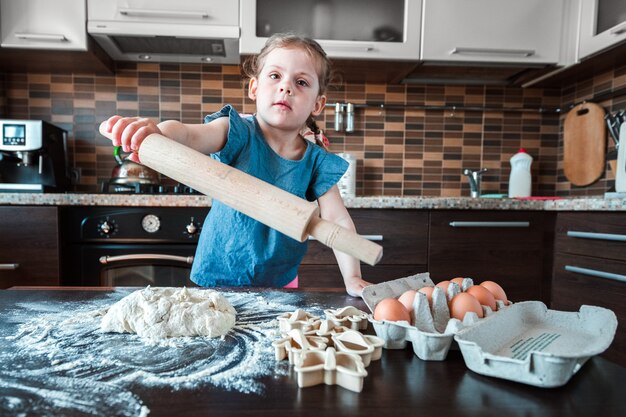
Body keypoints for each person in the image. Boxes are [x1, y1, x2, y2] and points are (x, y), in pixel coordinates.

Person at [101, 33, 372, 297]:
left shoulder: (317, 161)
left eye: (301, 82)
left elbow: (337, 220)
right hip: (217, 277)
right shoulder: (237, 131)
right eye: (275, 76)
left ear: (318, 103)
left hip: (280, 283)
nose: (286, 87)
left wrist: (353, 277)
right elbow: (188, 134)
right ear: (254, 88)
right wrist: (157, 132)